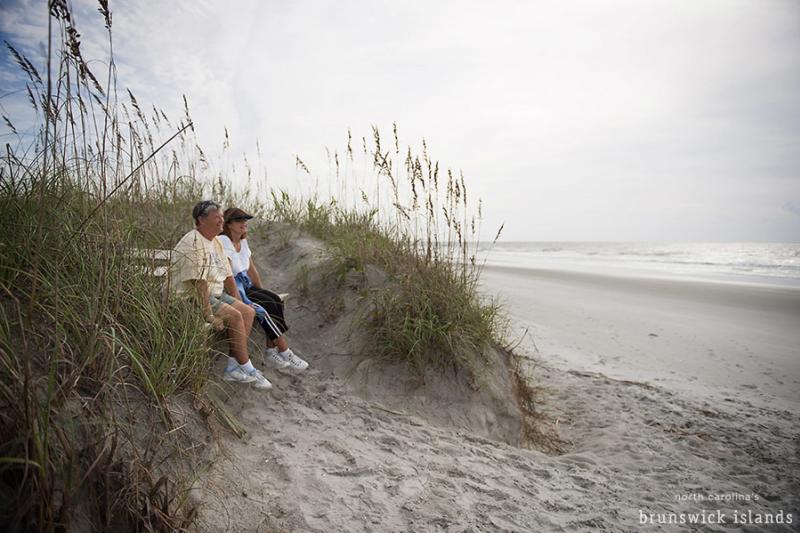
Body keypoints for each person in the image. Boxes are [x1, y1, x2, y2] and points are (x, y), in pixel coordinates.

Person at [168, 200, 273, 390]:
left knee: (247, 312)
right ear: (201, 220)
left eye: (222, 217)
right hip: (190, 297)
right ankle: (247, 368)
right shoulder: (193, 242)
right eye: (217, 217)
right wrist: (209, 315)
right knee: (235, 316)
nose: (221, 221)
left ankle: (232, 368)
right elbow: (198, 283)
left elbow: (227, 275)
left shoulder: (215, 241)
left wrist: (240, 302)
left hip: (214, 294)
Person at [218, 207, 309, 372]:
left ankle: (271, 350)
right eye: (239, 220)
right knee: (262, 309)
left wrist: (263, 293)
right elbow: (227, 275)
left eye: (245, 220)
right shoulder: (224, 241)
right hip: (230, 288)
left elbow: (252, 270)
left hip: (245, 284)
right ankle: (285, 350)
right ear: (228, 224)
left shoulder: (242, 242)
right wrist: (240, 299)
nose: (244, 223)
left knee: (273, 300)